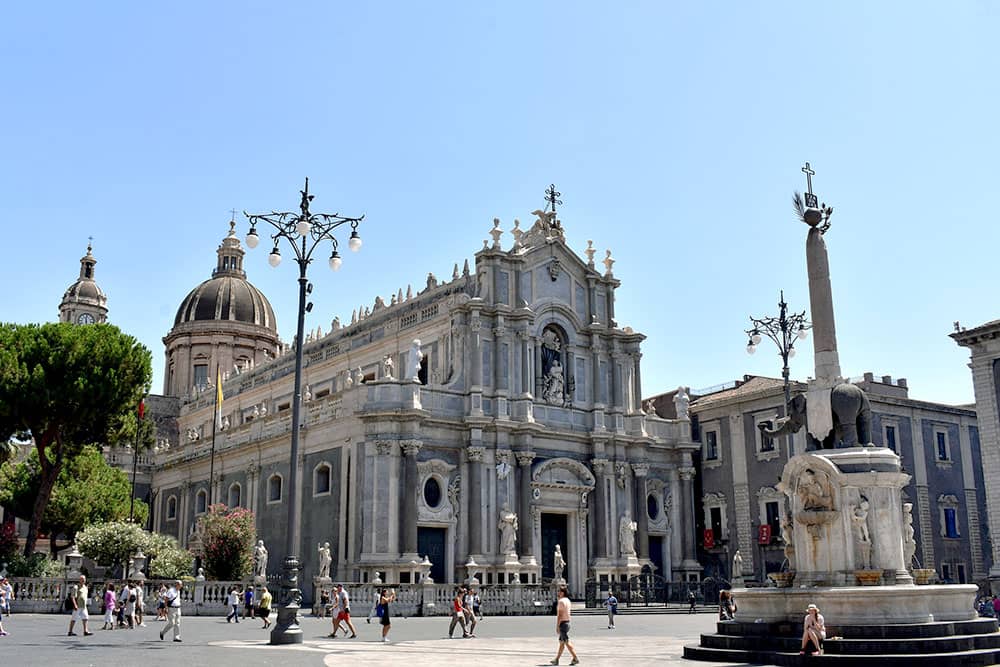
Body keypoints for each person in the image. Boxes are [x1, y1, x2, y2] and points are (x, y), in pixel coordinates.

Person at [550, 585, 578, 665]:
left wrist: (557, 626)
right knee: (562, 642)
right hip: (567, 622)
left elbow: (560, 615)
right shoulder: (568, 601)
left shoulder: (561, 601)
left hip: (562, 623)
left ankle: (575, 658)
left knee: (566, 641)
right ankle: (557, 659)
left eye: (559, 591)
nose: (558, 593)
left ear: (562, 593)